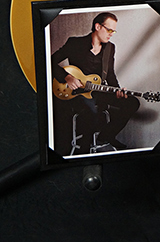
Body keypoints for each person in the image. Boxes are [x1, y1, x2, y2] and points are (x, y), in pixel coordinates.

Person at [51, 12, 140, 155]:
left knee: (132, 103)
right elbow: (49, 61)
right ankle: (84, 151)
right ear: (98, 27)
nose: (111, 34)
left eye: (113, 31)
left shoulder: (110, 48)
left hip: (98, 91)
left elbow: (110, 74)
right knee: (91, 111)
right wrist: (66, 77)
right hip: (77, 93)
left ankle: (106, 135)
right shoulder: (75, 43)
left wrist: (117, 91)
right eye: (109, 30)